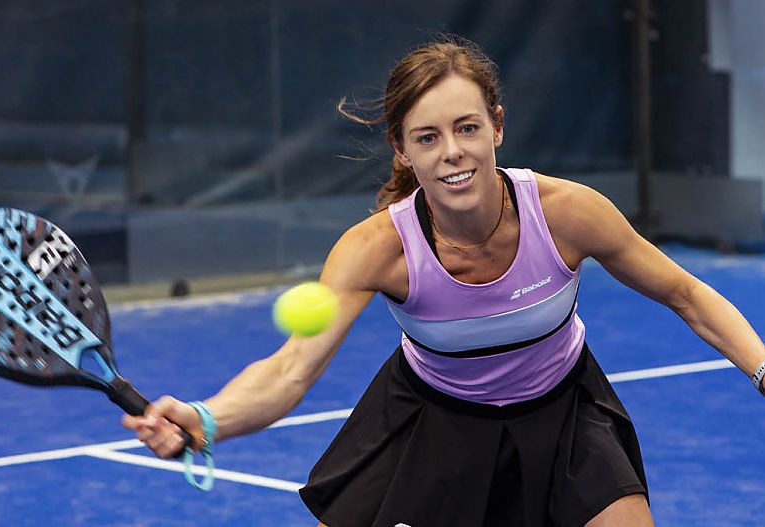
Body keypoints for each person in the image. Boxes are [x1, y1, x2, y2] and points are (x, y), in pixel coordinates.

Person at [122, 37, 765, 527]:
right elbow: (291, 370)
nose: (452, 152)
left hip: (565, 413)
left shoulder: (568, 213)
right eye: (427, 137)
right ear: (403, 150)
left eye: (467, 128)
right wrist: (207, 418)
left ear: (497, 126)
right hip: (433, 422)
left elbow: (686, 294)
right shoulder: (376, 250)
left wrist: (762, 368)